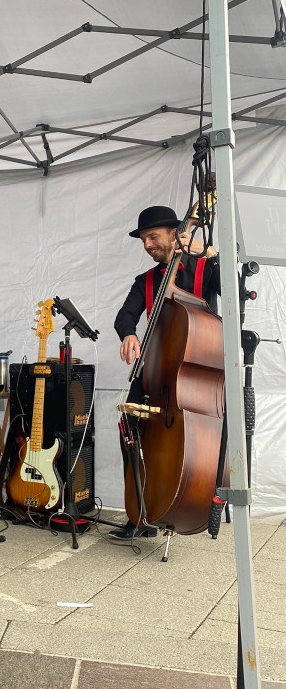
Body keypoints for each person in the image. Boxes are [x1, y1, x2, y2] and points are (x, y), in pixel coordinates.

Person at [112, 204, 220, 540]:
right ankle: (140, 512)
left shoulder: (204, 269)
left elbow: (234, 282)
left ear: (175, 235)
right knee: (130, 432)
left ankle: (191, 504)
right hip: (154, 374)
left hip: (196, 374)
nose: (147, 244)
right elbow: (124, 316)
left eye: (152, 237)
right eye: (143, 239)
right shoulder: (145, 280)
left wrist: (212, 254)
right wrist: (129, 333)